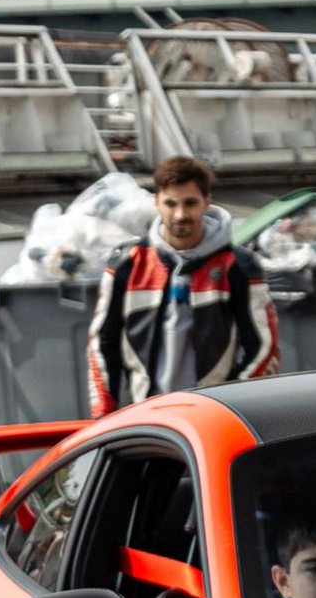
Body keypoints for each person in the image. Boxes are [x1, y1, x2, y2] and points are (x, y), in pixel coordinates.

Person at [91, 152, 277, 410]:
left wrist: (235, 407)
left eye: (190, 203)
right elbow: (102, 343)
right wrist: (104, 414)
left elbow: (263, 347)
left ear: (207, 202)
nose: (180, 214)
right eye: (171, 203)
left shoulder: (239, 266)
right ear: (156, 202)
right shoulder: (127, 263)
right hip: (146, 414)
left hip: (212, 415)